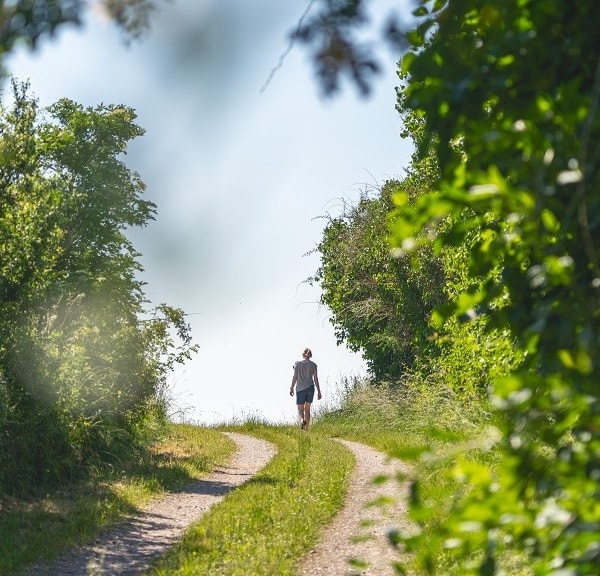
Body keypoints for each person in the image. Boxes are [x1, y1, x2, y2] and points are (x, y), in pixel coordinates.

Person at [289, 347, 322, 430]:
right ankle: (306, 430)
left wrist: (291, 387)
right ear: (310, 355)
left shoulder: (298, 364)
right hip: (310, 388)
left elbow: (295, 377)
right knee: (307, 409)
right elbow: (316, 379)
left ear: (303, 354)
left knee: (300, 410)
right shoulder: (313, 365)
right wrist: (319, 391)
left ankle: (302, 421)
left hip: (300, 389)